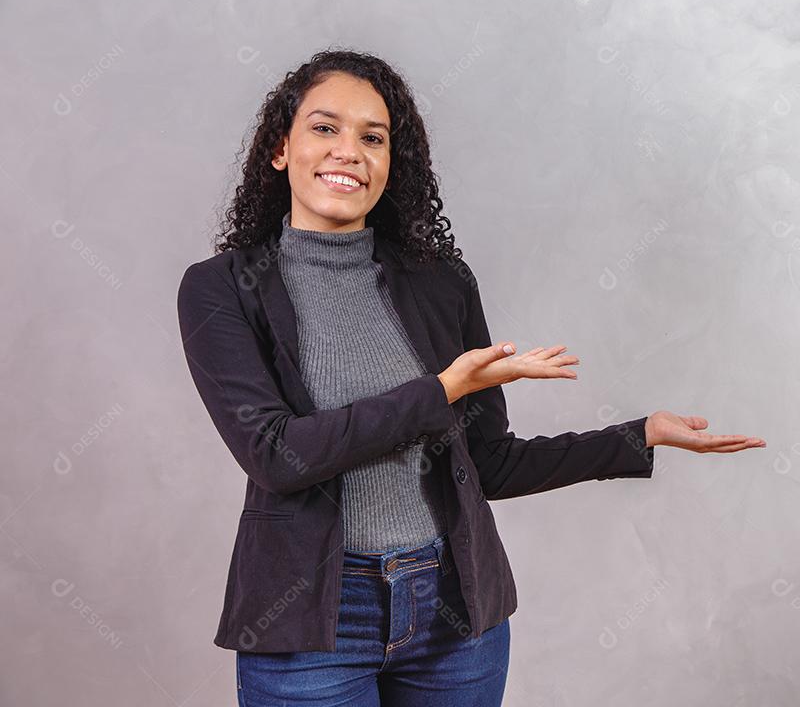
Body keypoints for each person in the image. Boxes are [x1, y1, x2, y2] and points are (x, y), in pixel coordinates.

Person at [177, 48, 766, 707]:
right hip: (311, 624)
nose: (350, 150)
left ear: (391, 165)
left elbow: (488, 463)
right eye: (324, 127)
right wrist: (440, 392)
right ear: (281, 149)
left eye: (373, 137)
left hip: (455, 616)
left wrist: (639, 437)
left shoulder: (441, 283)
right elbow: (278, 455)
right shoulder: (222, 290)